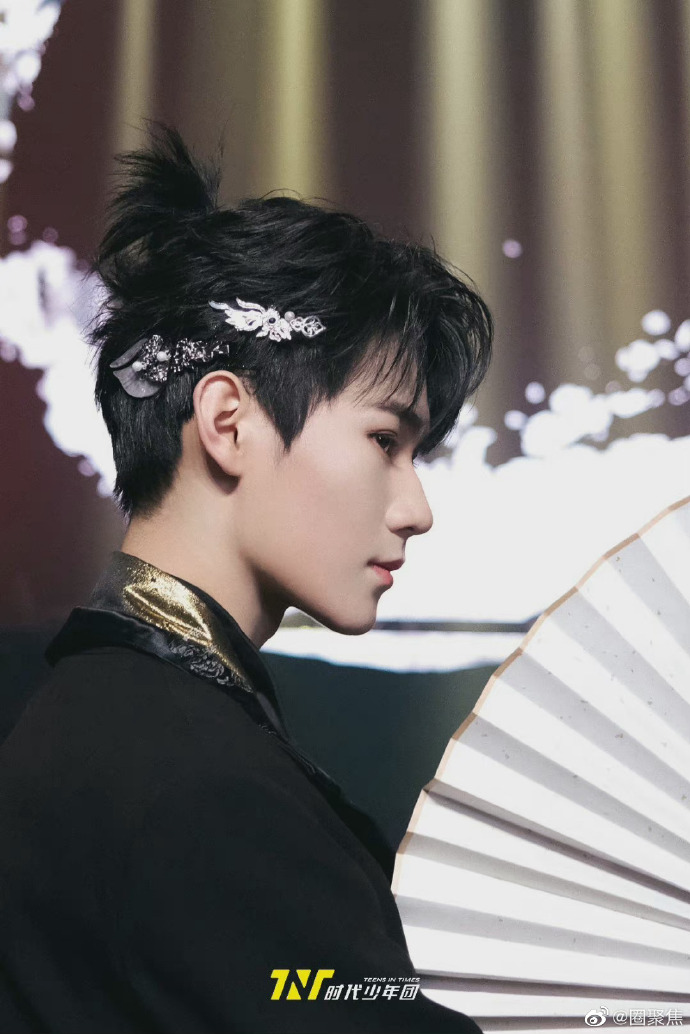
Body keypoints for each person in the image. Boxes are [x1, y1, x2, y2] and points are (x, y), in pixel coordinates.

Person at [0, 126, 493, 1033]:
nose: (416, 508)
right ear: (228, 421)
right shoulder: (192, 784)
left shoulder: (109, 713)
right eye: (385, 440)